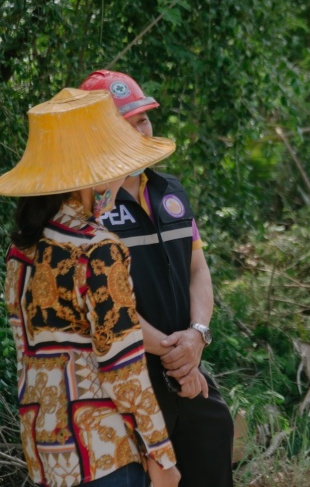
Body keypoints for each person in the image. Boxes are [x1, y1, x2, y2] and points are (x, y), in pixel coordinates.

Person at [1, 88, 181, 486]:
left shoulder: (21, 251)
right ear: (90, 176)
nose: (120, 179)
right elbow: (123, 366)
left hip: (46, 455)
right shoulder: (98, 250)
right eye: (115, 166)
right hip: (105, 453)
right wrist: (161, 455)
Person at [79, 70, 234, 486]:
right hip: (124, 377)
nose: (141, 131)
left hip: (186, 363)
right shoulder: (86, 207)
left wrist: (197, 335)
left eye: (143, 119)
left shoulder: (171, 190)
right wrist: (174, 354)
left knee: (213, 437)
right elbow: (102, 302)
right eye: (125, 125)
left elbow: (197, 268)